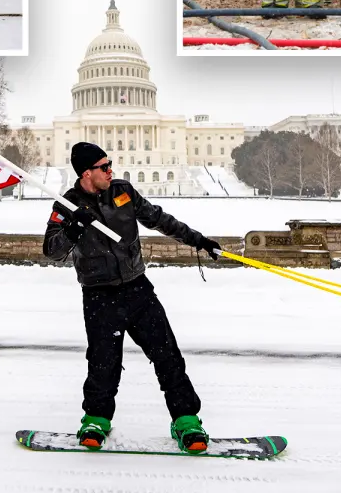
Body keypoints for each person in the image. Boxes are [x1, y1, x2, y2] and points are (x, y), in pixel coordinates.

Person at [44, 142, 222, 453]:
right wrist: (74, 229)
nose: (111, 170)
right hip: (99, 295)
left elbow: (159, 219)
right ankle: (96, 420)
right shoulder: (67, 205)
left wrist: (198, 240)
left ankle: (186, 421)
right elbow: (52, 251)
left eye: (109, 164)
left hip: (137, 288)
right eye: (104, 167)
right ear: (87, 173)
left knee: (167, 356)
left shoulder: (122, 191)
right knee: (103, 362)